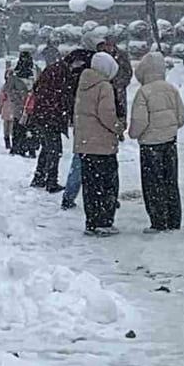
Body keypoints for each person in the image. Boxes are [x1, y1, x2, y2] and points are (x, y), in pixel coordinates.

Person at [128, 52, 184, 233]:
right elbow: (182, 116)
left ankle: (158, 221)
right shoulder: (171, 89)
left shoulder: (143, 92)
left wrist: (133, 134)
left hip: (150, 144)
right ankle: (174, 219)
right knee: (170, 180)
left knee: (153, 184)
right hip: (170, 142)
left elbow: (140, 121)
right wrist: (170, 128)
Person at [73, 51, 123, 236]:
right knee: (107, 184)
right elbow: (107, 114)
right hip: (102, 144)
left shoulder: (83, 83)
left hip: (85, 144)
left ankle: (92, 222)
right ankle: (105, 221)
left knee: (91, 185)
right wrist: (118, 127)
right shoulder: (104, 86)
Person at [29, 49, 92, 192]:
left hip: (44, 115)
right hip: (50, 116)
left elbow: (37, 87)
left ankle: (39, 178)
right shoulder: (61, 73)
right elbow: (64, 95)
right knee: (54, 149)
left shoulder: (56, 69)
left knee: (47, 147)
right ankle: (51, 181)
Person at [3, 51, 36, 157]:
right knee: (19, 127)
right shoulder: (15, 74)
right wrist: (17, 98)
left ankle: (30, 148)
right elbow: (8, 89)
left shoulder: (35, 72)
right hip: (19, 106)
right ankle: (18, 147)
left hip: (31, 105)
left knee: (30, 127)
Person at [98, 38, 133, 121]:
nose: (108, 47)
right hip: (104, 90)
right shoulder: (100, 56)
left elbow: (128, 72)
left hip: (118, 90)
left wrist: (119, 83)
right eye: (106, 45)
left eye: (110, 44)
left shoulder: (121, 55)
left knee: (120, 113)